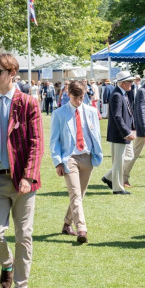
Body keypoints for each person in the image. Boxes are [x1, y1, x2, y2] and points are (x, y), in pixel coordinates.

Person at [0, 52, 44, 288]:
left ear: (12, 73)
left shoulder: (28, 103)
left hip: (23, 181)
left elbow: (36, 142)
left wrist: (28, 175)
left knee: (24, 235)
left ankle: (21, 285)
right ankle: (7, 264)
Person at [50, 80, 103, 244]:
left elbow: (96, 135)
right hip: (69, 158)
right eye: (76, 98)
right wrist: (58, 162)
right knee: (75, 194)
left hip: (87, 157)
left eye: (82, 97)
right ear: (68, 94)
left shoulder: (91, 111)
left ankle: (67, 224)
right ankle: (82, 228)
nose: (79, 101)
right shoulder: (59, 114)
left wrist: (96, 154)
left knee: (79, 195)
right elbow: (54, 140)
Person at [101, 71, 136, 195]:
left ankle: (109, 177)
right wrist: (126, 132)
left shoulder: (123, 94)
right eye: (129, 81)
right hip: (119, 134)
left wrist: (132, 129)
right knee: (120, 161)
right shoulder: (117, 95)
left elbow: (128, 114)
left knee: (128, 157)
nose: (132, 83)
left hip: (124, 133)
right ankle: (118, 188)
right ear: (122, 83)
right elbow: (117, 116)